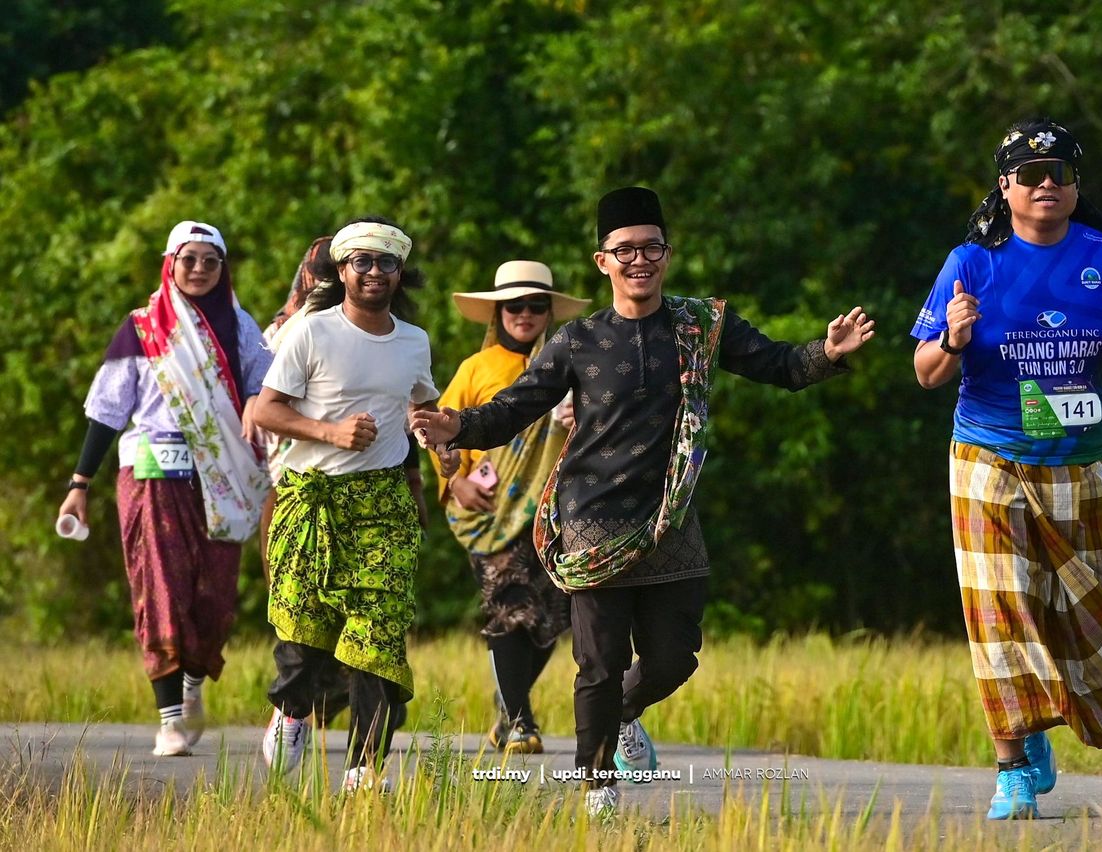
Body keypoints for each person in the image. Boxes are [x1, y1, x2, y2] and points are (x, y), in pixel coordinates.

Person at [413, 187, 876, 815]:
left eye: (650, 247)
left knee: (672, 659)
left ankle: (623, 714)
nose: (639, 260)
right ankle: (596, 784)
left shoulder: (701, 326)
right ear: (602, 260)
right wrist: (455, 428)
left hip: (671, 524)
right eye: (624, 250)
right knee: (598, 665)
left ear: (667, 254)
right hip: (590, 520)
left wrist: (827, 353)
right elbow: (510, 411)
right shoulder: (576, 341)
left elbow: (778, 365)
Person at [910, 118, 1102, 820]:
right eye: (1030, 175)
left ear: (1075, 185)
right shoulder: (971, 261)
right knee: (1000, 611)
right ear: (1005, 187)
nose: (1047, 184)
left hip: (1084, 461)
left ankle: (1038, 725)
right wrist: (954, 338)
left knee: (1085, 611)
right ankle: (1012, 766)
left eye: (1060, 173)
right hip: (989, 457)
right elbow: (926, 373)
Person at [254, 217, 456, 792]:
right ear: (341, 270)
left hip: (382, 504)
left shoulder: (413, 341)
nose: (373, 272)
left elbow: (423, 406)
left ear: (400, 274)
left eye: (385, 263)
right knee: (302, 631)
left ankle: (365, 766)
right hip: (310, 498)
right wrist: (330, 431)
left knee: (378, 635)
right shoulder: (312, 332)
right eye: (361, 262)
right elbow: (265, 411)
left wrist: (441, 444)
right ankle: (293, 712)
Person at [56, 220, 272, 757]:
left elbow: (266, 397)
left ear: (223, 269)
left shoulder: (240, 328)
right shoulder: (141, 329)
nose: (199, 269)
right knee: (160, 585)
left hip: (222, 474)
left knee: (215, 595)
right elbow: (108, 414)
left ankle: (195, 676)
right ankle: (169, 718)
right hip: (152, 472)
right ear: (169, 262)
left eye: (210, 261)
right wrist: (79, 483)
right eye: (189, 259)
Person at [431, 260, 589, 754]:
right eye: (514, 305)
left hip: (556, 510)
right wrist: (454, 483)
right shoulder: (475, 369)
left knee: (551, 617)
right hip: (489, 510)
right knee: (508, 606)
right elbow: (438, 434)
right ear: (498, 312)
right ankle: (519, 720)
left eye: (535, 305)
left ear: (548, 312)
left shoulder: (572, 364)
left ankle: (508, 712)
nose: (524, 314)